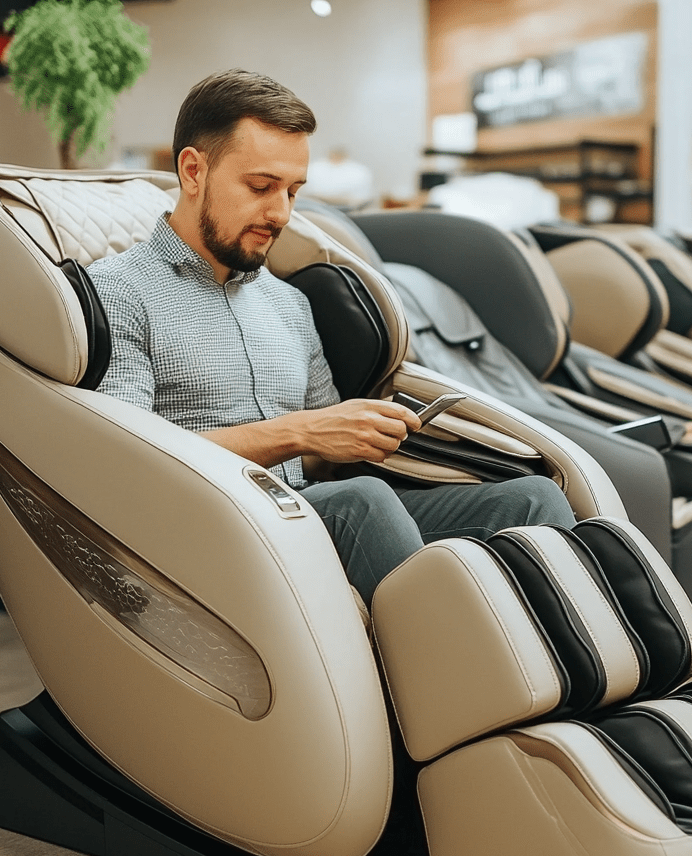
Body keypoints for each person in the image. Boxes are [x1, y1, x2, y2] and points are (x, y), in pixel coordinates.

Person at [90, 69, 577, 607]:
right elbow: (128, 460)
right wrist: (299, 432)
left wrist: (376, 433)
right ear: (192, 171)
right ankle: (449, 674)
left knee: (533, 501)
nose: (280, 213)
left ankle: (568, 676)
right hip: (214, 525)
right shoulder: (120, 293)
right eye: (260, 187)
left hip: (311, 510)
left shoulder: (288, 303)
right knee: (362, 502)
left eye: (293, 191)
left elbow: (323, 455)